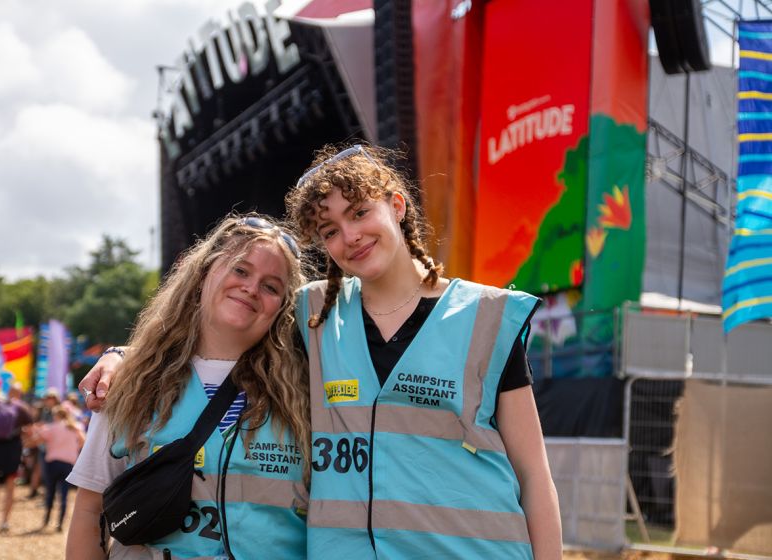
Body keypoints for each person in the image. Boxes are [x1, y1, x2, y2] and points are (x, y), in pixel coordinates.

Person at [82, 145, 562, 558]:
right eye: (328, 230)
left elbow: (534, 474)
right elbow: (223, 326)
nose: (349, 237)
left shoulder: (486, 316)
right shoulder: (313, 314)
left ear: (396, 205)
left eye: (358, 213)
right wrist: (125, 357)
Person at [66, 213, 310, 560]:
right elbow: (91, 512)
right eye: (240, 270)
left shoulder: (306, 393)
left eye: (271, 286)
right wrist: (122, 356)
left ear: (282, 309)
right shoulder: (133, 382)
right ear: (202, 274)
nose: (252, 288)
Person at [0, 383, 33, 531]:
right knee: (10, 485)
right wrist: (20, 440)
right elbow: (30, 430)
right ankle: (5, 521)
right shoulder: (22, 408)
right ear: (20, 393)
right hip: (13, 447)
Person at [36, 405, 85, 531]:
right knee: (64, 494)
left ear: (56, 415)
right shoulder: (76, 428)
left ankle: (46, 519)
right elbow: (83, 442)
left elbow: (39, 439)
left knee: (50, 492)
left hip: (52, 462)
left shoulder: (51, 427)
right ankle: (60, 523)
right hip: (68, 464)